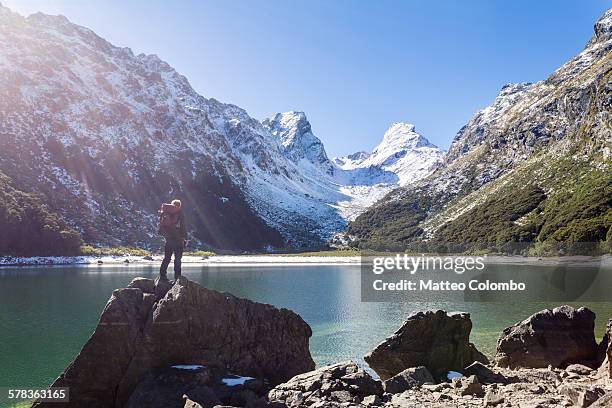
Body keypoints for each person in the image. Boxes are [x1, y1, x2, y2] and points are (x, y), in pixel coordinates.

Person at [158, 199, 186, 281]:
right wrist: (184, 238)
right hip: (178, 240)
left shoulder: (165, 212)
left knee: (167, 258)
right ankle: (177, 278)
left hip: (168, 239)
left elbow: (162, 225)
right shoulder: (180, 213)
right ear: (179, 206)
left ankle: (162, 276)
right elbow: (183, 226)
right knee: (177, 259)